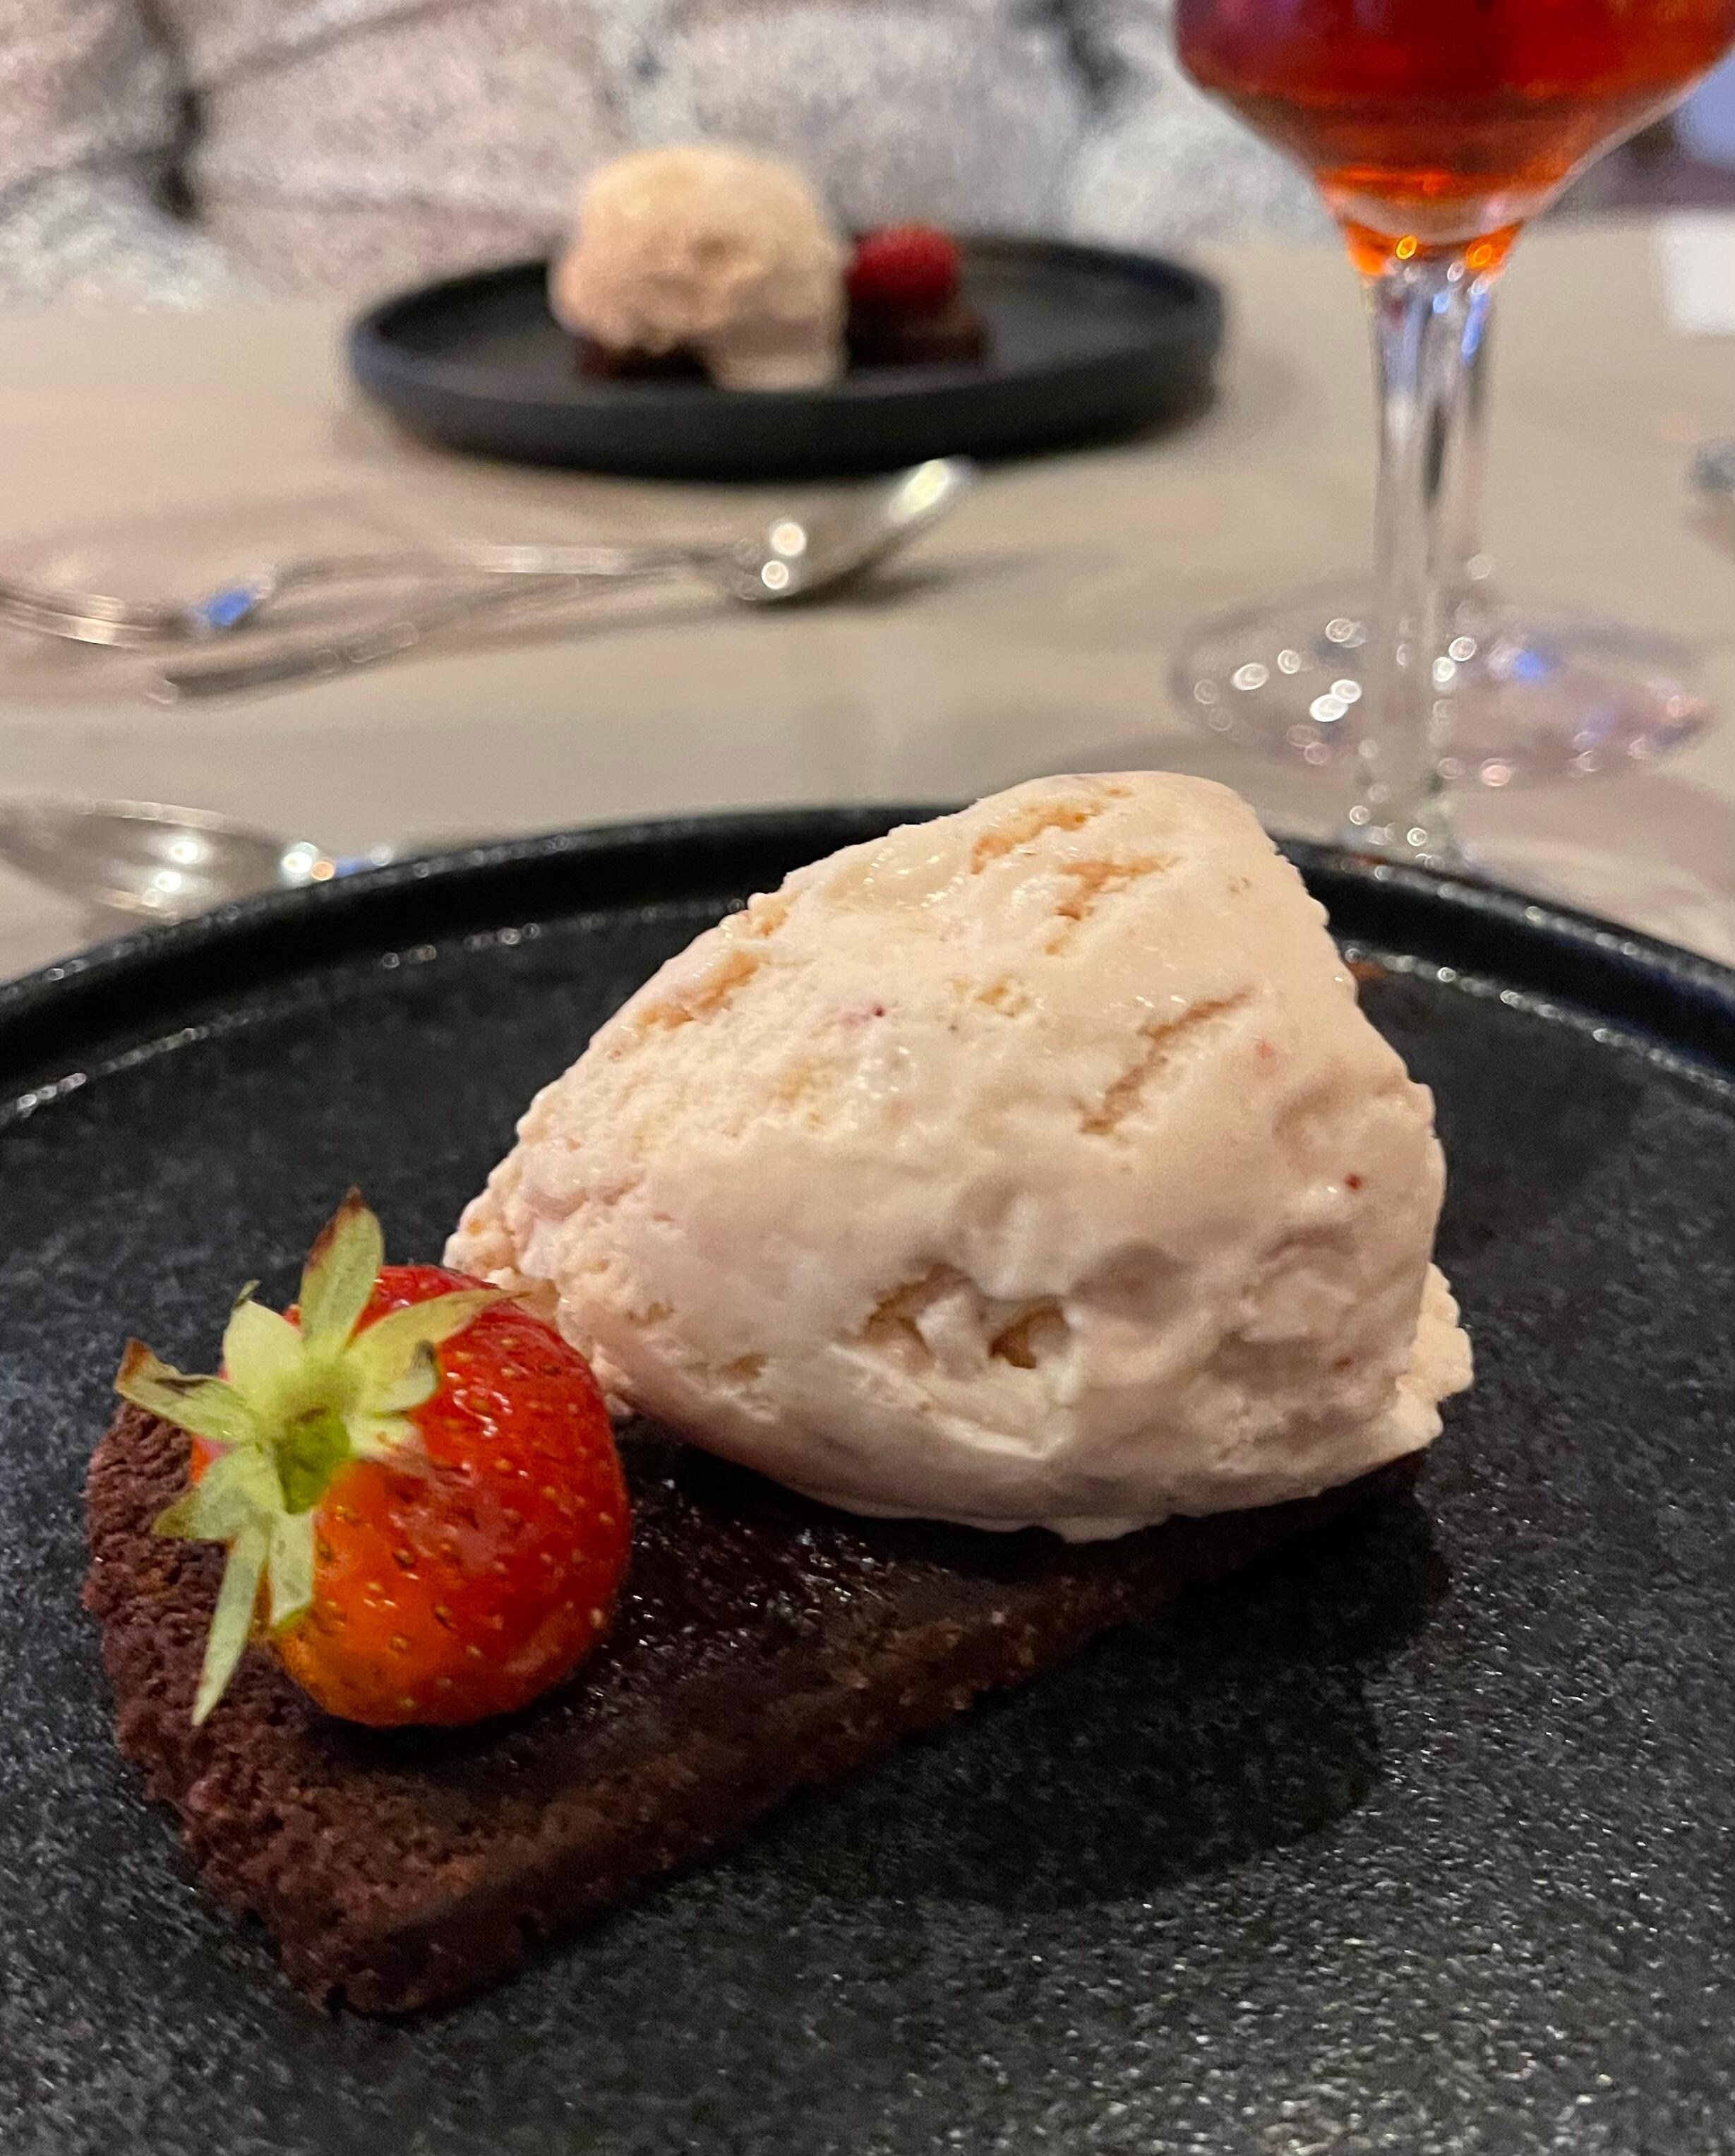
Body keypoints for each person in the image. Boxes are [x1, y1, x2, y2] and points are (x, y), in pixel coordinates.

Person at [0, 0, 1321, 309]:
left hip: (997, 460)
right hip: (374, 527)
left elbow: (1200, 74)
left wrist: (1106, 319)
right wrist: (303, 388)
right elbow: (34, 191)